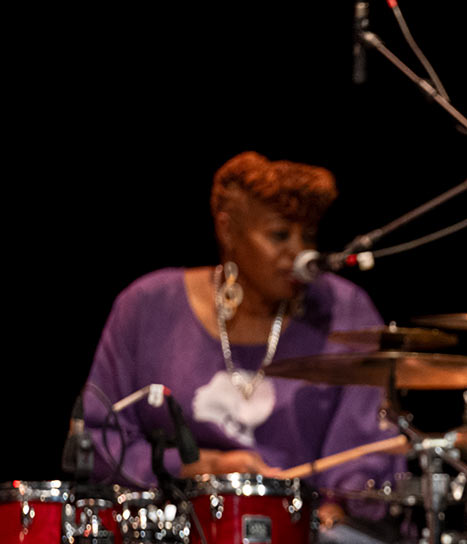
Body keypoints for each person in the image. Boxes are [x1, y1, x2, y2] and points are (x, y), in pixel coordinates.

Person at [83, 151, 401, 513]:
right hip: (172, 533)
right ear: (227, 229)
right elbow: (101, 441)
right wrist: (208, 468)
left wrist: (341, 510)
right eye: (280, 235)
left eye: (309, 236)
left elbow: (366, 455)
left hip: (302, 536)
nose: (301, 254)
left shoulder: (345, 310)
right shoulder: (147, 305)